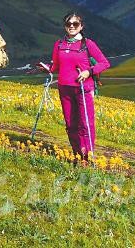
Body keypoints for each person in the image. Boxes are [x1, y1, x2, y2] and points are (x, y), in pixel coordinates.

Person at [48, 12, 110, 163]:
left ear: (81, 26)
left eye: (75, 24)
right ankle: (78, 154)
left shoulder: (88, 44)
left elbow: (104, 63)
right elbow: (55, 66)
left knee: (86, 123)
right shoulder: (59, 44)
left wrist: (88, 72)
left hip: (83, 88)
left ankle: (88, 155)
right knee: (70, 123)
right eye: (68, 24)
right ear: (65, 26)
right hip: (64, 88)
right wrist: (46, 68)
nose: (71, 26)